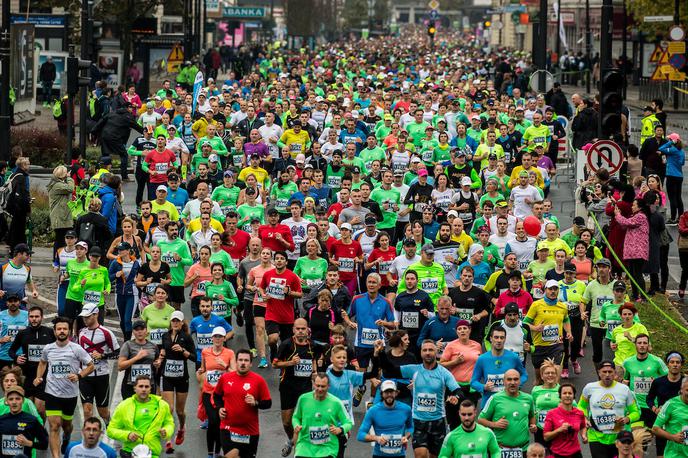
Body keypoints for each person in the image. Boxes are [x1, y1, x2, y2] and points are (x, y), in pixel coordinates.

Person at [385, 340, 463, 458]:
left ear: (436, 352)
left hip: (438, 422)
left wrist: (455, 397)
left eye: (431, 350)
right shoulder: (414, 370)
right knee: (420, 454)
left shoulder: (443, 373)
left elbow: (458, 391)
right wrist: (380, 353)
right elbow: (389, 370)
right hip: (418, 421)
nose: (427, 353)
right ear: (420, 353)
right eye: (424, 350)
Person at [34, 317, 95, 458]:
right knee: (54, 426)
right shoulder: (48, 348)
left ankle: (67, 436)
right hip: (52, 393)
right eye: (59, 329)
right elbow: (42, 363)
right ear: (54, 331)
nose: (62, 331)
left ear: (69, 331)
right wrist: (39, 377)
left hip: (70, 395)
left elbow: (91, 365)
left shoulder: (76, 349)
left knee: (66, 426)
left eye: (64, 329)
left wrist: (79, 375)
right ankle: (56, 456)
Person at [272, 318, 324, 457]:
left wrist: (314, 372)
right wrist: (290, 363)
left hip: (305, 388)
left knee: (305, 420)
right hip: (288, 387)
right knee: (287, 422)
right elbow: (275, 364)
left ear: (307, 330)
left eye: (303, 329)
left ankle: (301, 445)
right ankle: (292, 440)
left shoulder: (313, 345)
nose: (301, 331)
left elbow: (314, 358)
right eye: (298, 329)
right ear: (293, 330)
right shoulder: (286, 344)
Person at [213, 348, 272, 458]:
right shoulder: (225, 378)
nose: (243, 363)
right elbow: (217, 395)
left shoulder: (258, 381)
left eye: (246, 360)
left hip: (250, 430)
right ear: (236, 362)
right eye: (240, 360)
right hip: (228, 428)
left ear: (250, 363)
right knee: (232, 455)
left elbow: (268, 403)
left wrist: (255, 402)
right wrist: (219, 408)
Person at [578, 360, 640, 458]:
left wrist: (627, 419)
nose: (607, 375)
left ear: (615, 373)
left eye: (610, 372)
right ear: (599, 372)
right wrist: (584, 418)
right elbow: (581, 406)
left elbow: (635, 412)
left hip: (618, 437)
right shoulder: (589, 388)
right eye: (604, 372)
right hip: (596, 436)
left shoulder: (624, 389)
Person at [107, 375, 175, 458]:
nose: (143, 389)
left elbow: (169, 423)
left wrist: (166, 431)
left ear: (150, 389)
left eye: (146, 387)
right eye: (141, 386)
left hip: (152, 452)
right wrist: (127, 435)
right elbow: (111, 430)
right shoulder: (124, 406)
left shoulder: (162, 405)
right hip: (130, 451)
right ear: (135, 388)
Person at [76, 303, 120, 425]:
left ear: (96, 315)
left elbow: (118, 352)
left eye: (88, 316)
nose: (85, 319)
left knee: (103, 412)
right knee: (87, 410)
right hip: (85, 376)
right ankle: (89, 439)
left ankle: (110, 428)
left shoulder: (106, 333)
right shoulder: (81, 333)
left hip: (102, 376)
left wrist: (103, 356)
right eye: (84, 317)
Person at [292, 372, 353, 458]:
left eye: (323, 386)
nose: (320, 389)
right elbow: (296, 417)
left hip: (327, 448)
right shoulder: (303, 399)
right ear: (313, 384)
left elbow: (348, 422)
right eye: (317, 385)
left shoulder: (336, 402)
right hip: (305, 446)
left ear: (328, 386)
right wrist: (296, 425)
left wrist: (340, 429)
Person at [159, 310, 195, 453]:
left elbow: (193, 357)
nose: (175, 323)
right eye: (173, 320)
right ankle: (168, 440)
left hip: (181, 378)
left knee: (180, 411)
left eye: (177, 321)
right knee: (169, 409)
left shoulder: (186, 337)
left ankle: (181, 428)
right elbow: (162, 351)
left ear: (181, 323)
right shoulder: (165, 336)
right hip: (167, 376)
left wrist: (183, 350)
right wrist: (160, 357)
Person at [7, 305, 54, 416]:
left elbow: (59, 349)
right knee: (28, 410)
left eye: (36, 316)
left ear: (41, 318)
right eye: (31, 316)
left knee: (40, 410)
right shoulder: (23, 333)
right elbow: (11, 350)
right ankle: (30, 432)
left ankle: (40, 431)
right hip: (27, 376)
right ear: (28, 318)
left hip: (43, 377)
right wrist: (16, 357)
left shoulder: (50, 332)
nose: (34, 319)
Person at [523, 279, 573, 383]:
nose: (553, 291)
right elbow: (525, 323)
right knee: (539, 380)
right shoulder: (536, 305)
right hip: (539, 346)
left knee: (555, 379)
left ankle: (555, 396)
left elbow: (566, 319)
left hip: (556, 345)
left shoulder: (562, 306)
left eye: (555, 289)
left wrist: (568, 332)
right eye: (550, 289)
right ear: (545, 290)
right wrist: (535, 328)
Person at [197, 326, 236, 458]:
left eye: (220, 336)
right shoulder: (205, 352)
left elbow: (235, 373)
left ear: (224, 338)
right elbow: (203, 369)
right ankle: (209, 453)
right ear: (212, 338)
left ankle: (218, 452)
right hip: (208, 392)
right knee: (213, 421)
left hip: (223, 394)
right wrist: (200, 373)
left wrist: (224, 366)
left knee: (220, 423)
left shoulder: (230, 353)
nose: (218, 339)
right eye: (215, 336)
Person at [478, 368, 537, 454]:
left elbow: (532, 416)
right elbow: (480, 420)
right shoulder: (495, 398)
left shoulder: (528, 398)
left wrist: (533, 425)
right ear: (503, 381)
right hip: (500, 449)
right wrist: (495, 424)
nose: (512, 382)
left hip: (523, 449)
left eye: (515, 379)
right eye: (509, 379)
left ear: (520, 381)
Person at [471, 325, 528, 406]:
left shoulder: (513, 357)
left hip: (509, 403)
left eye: (502, 338)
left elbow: (524, 375)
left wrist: (516, 383)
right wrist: (484, 387)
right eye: (496, 337)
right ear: (491, 338)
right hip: (489, 404)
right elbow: (473, 382)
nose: (499, 340)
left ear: (505, 339)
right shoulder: (482, 359)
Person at [357, 379, 414, 457]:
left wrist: (406, 437)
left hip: (399, 455)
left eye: (391, 392)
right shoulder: (373, 411)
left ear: (396, 393)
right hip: (379, 455)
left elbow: (411, 427)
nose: (389, 395)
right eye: (386, 392)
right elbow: (360, 435)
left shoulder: (406, 409)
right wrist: (376, 438)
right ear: (382, 394)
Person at [647, 351, 684, 458]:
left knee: (682, 451)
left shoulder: (685, 383)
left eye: (678, 362)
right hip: (663, 423)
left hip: (681, 423)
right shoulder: (658, 382)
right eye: (672, 362)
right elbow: (649, 398)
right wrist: (654, 409)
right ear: (668, 364)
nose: (675, 364)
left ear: (681, 365)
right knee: (661, 453)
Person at [0, 385, 49, 457]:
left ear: (22, 400)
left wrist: (29, 443)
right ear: (7, 401)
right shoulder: (1, 420)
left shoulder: (32, 420)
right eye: (11, 399)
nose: (14, 402)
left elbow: (45, 444)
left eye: (17, 399)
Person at [117, 319, 159, 399]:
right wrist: (136, 358)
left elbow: (157, 363)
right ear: (133, 332)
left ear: (146, 330)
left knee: (147, 410)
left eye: (142, 329)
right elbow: (120, 367)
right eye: (137, 329)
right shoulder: (128, 345)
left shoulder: (153, 346)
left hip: (148, 386)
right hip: (130, 386)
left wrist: (158, 364)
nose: (139, 332)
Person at [543, 383, 588, 458]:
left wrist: (583, 435)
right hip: (558, 453)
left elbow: (583, 426)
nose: (567, 395)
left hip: (575, 453)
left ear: (573, 396)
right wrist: (559, 430)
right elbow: (546, 437)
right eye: (564, 393)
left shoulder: (579, 413)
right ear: (560, 396)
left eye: (570, 393)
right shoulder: (551, 413)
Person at [652, 377, 688, 458]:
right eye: (687, 390)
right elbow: (655, 428)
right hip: (675, 455)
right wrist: (673, 437)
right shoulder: (670, 404)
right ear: (681, 389)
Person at [47, 165, 75, 259]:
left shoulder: (57, 183)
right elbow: (71, 188)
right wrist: (69, 178)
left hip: (62, 217)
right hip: (59, 218)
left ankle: (59, 259)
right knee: (60, 241)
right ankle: (56, 260)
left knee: (61, 241)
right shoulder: (57, 185)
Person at [0, 294, 27, 370]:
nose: (13, 303)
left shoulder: (27, 315)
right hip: (3, 355)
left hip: (21, 357)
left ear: (19, 302)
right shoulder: (1, 315)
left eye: (15, 301)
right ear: (6, 303)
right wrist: (1, 340)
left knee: (20, 381)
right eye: (10, 301)